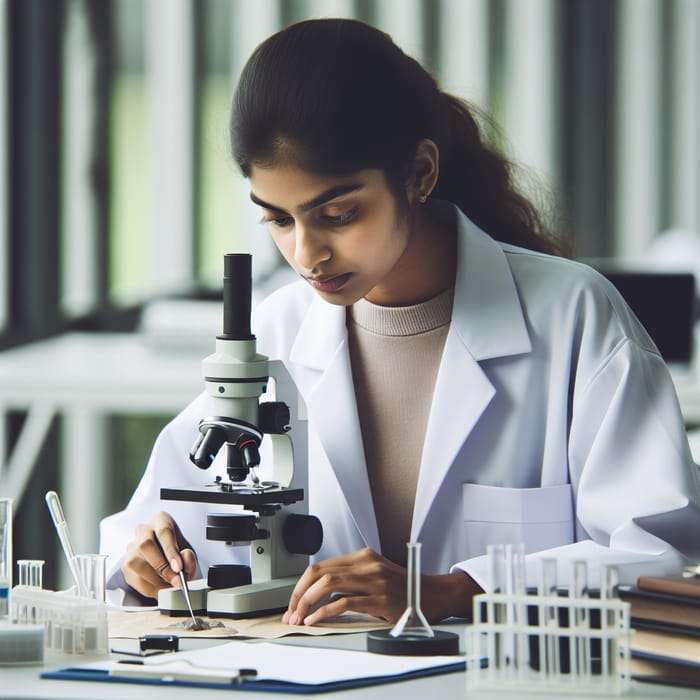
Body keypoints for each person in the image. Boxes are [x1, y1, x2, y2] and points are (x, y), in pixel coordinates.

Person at [100, 18, 700, 625]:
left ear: (418, 174)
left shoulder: (575, 318)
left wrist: (456, 590)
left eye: (338, 212)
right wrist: (143, 555)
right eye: (278, 220)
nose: (308, 255)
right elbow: (141, 526)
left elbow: (662, 554)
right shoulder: (281, 327)